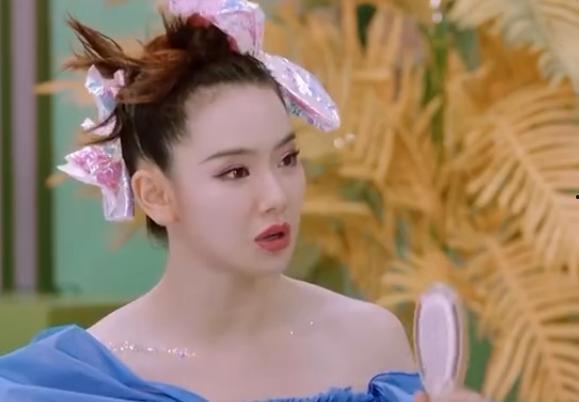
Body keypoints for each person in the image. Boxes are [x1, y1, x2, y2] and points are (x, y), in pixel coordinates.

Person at [0, 1, 489, 401]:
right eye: (235, 172)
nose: (276, 196)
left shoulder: (369, 343)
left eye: (287, 159)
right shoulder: (81, 382)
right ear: (156, 195)